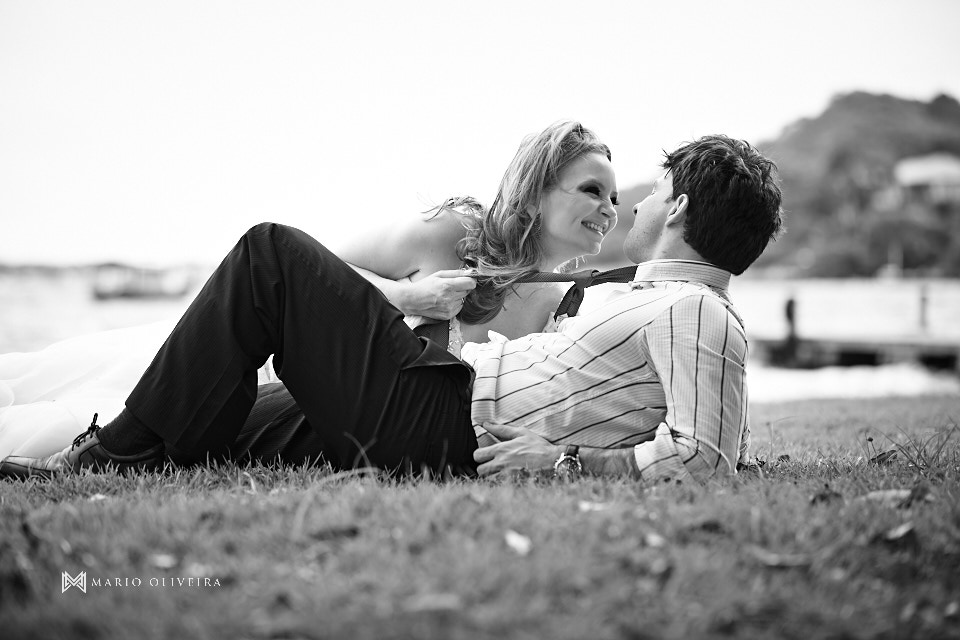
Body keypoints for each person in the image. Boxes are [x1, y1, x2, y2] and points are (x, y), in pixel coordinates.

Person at [0, 134, 783, 484]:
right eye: (600, 192)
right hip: (438, 387)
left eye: (642, 192)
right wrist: (409, 299)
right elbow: (714, 428)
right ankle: (128, 450)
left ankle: (112, 461)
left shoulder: (695, 311)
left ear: (677, 209)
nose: (627, 206)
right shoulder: (663, 302)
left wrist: (569, 462)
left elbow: (704, 456)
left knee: (270, 250)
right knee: (237, 425)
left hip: (445, 415)